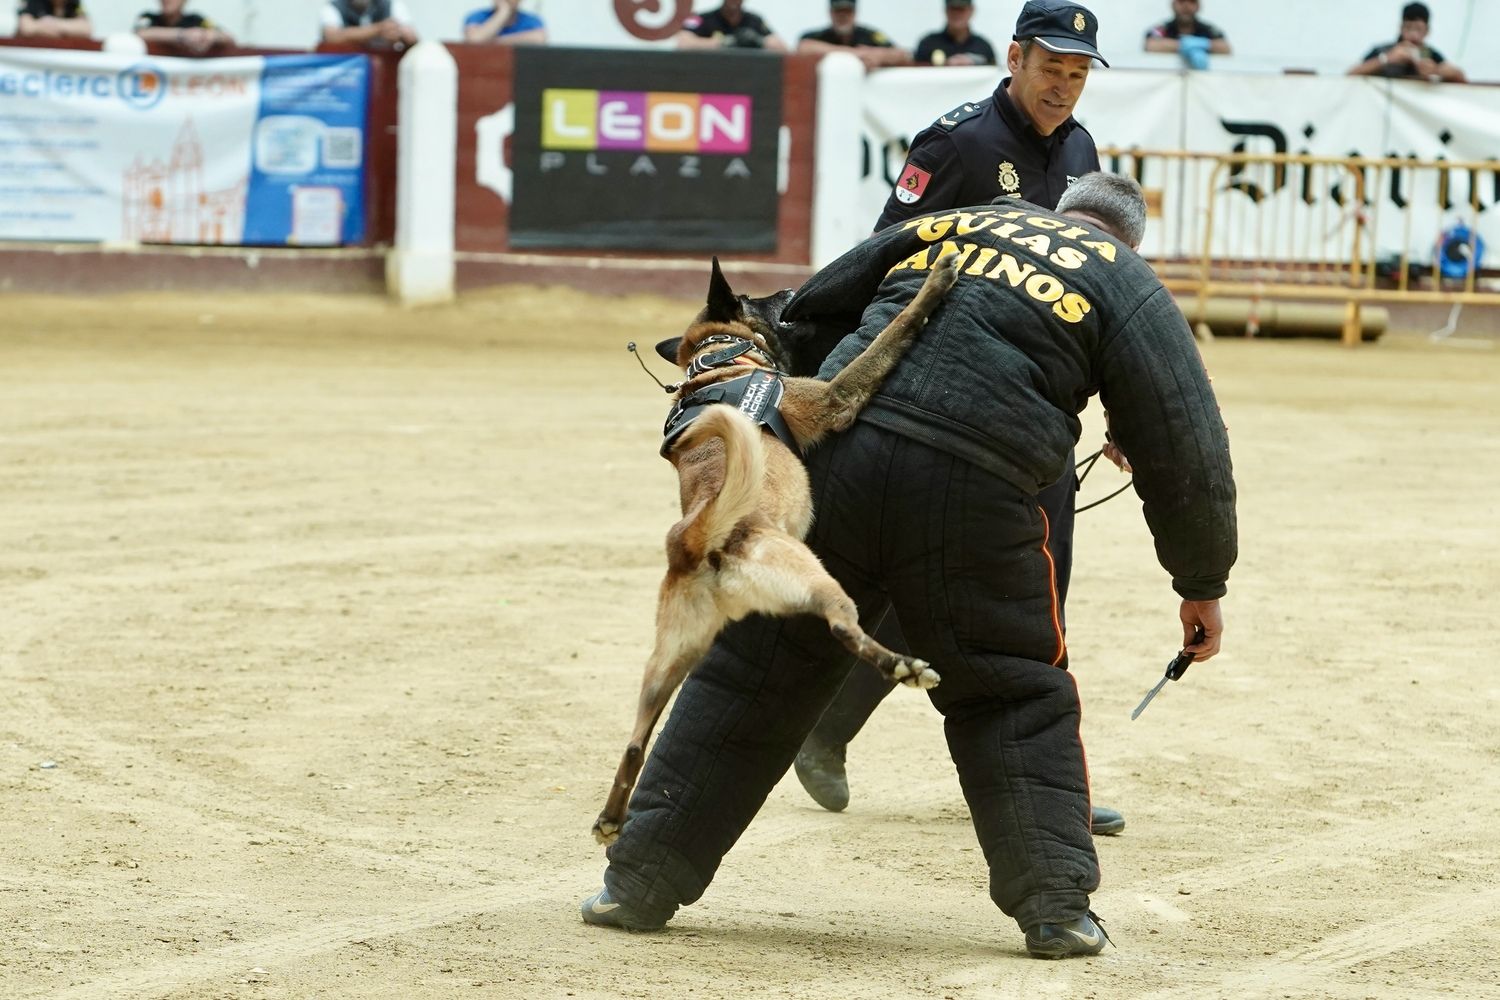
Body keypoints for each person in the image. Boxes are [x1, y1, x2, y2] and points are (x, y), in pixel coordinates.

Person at [580, 172, 1238, 959]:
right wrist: (1202, 581)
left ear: (1061, 212)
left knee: (758, 667)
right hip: (978, 487)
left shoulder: (961, 221)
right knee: (1009, 691)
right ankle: (1057, 909)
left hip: (841, 463)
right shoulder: (1125, 280)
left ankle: (637, 882)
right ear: (1130, 240)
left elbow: (814, 307)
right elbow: (1185, 442)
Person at [798, 0, 1127, 839]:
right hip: (945, 399)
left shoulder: (1082, 151)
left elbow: (1102, 288)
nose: (1064, 85)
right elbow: (884, 258)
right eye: (1052, 66)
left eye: (1079, 73)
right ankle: (830, 728)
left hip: (1036, 405)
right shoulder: (959, 144)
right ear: (1013, 57)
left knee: (1026, 581)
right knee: (957, 568)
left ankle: (1052, 778)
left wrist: (1122, 402)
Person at [1348, 2, 1465, 83]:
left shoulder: (1431, 54)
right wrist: (1387, 59)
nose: (1413, 35)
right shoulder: (1383, 50)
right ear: (1401, 28)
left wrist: (1436, 71)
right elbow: (1351, 74)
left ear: (1427, 31)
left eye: (1418, 29)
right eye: (1408, 28)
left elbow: (1460, 77)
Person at [796, 1, 908, 71]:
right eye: (838, 12)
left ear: (855, 12)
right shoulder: (817, 36)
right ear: (830, 13)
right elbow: (803, 47)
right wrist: (858, 54)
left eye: (847, 12)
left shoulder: (870, 35)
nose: (843, 16)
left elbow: (902, 54)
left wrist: (879, 57)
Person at [1142, 0, 1231, 70]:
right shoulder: (1162, 29)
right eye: (1181, 1)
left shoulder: (1208, 30)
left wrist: (1203, 44)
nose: (1186, 6)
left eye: (1192, 2)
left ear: (1198, 6)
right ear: (1173, 4)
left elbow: (1225, 48)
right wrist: (1183, 45)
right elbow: (1150, 45)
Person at [675, 0, 786, 52]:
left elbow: (781, 47)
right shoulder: (704, 18)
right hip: (711, 72)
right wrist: (725, 42)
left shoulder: (754, 20)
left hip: (748, 74)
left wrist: (758, 41)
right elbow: (683, 43)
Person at [914, 0, 998, 67]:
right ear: (946, 10)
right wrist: (946, 65)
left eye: (961, 9)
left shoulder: (983, 47)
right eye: (953, 9)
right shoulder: (928, 44)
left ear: (971, 10)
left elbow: (994, 72)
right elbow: (917, 72)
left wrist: (973, 63)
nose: (956, 14)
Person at [134, 0, 232, 54]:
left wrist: (210, 36)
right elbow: (139, 33)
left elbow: (228, 38)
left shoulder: (196, 20)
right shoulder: (147, 17)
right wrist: (181, 35)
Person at [319, 0, 417, 50]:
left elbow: (412, 38)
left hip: (385, 72)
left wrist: (400, 34)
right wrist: (378, 30)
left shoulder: (391, 4)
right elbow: (332, 36)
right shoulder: (333, 7)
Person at [463, 1, 546, 45]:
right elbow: (474, 40)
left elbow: (539, 38)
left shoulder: (532, 20)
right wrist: (503, 12)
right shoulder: (477, 16)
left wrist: (492, 42)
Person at [16, 0, 92, 39]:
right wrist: (69, 29)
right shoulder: (34, 1)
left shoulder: (73, 2)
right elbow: (26, 28)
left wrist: (54, 24)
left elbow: (86, 29)